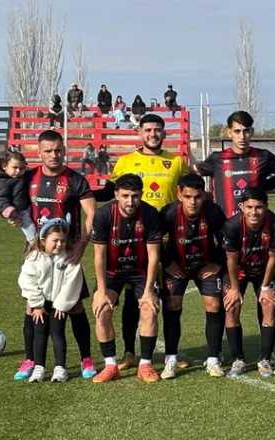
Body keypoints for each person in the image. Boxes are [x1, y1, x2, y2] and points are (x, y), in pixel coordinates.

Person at [109, 114, 188, 366]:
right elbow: (112, 196)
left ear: (164, 133)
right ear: (140, 133)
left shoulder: (176, 161)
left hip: (169, 240)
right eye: (148, 130)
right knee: (135, 297)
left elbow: (187, 193)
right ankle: (130, 353)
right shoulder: (125, 162)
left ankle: (171, 354)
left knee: (171, 296)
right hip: (134, 241)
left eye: (158, 130)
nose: (153, 134)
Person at [18, 130, 97, 382]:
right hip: (37, 251)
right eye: (48, 151)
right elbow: (12, 202)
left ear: (64, 150)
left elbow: (91, 213)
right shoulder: (28, 177)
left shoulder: (75, 179)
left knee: (74, 306)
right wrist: (8, 215)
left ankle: (86, 357)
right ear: (39, 152)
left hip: (67, 252)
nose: (54, 155)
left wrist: (82, 245)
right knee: (32, 306)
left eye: (58, 150)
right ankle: (31, 359)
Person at [89, 173, 163, 383]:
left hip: (140, 271)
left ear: (141, 195)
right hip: (112, 272)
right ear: (116, 194)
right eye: (125, 196)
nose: (130, 201)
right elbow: (99, 256)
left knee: (149, 309)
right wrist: (102, 291)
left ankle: (145, 365)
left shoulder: (150, 214)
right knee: (102, 310)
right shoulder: (103, 215)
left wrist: (149, 291)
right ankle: (111, 365)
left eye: (135, 196)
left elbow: (153, 256)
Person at [159, 174, 228, 379]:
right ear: (179, 194)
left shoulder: (213, 212)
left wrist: (217, 263)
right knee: (172, 304)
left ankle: (214, 359)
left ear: (204, 195)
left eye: (197, 197)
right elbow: (153, 240)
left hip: (204, 265)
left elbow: (227, 240)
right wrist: (168, 263)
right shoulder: (169, 213)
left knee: (214, 305)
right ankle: (170, 358)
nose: (193, 202)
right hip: (177, 266)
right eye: (188, 196)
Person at [222, 188, 275, 378]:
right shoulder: (232, 226)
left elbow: (274, 257)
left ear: (266, 207)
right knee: (231, 306)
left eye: (259, 207)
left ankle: (265, 359)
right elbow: (231, 260)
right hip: (238, 271)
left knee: (269, 304)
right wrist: (233, 288)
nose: (254, 212)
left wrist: (266, 288)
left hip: (264, 269)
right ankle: (237, 359)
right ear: (241, 207)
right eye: (249, 207)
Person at [17, 219, 85, 383]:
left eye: (62, 240)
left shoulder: (69, 259)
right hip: (41, 304)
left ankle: (60, 368)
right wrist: (37, 304)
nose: (59, 244)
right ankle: (39, 367)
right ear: (43, 240)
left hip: (59, 304)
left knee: (58, 333)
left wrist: (62, 304)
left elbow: (72, 283)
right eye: (55, 240)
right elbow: (27, 281)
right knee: (39, 334)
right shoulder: (34, 258)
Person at [194, 111, 275, 218]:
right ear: (229, 132)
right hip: (225, 225)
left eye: (246, 131)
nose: (242, 136)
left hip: (255, 224)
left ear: (252, 132)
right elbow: (192, 170)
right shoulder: (217, 159)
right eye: (237, 131)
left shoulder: (263, 156)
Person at [0, 151, 37, 243]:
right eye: (15, 167)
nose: (18, 171)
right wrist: (11, 213)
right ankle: (37, 250)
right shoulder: (0, 181)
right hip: (20, 213)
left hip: (29, 208)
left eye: (21, 168)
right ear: (4, 166)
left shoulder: (20, 176)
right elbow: (0, 199)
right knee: (33, 238)